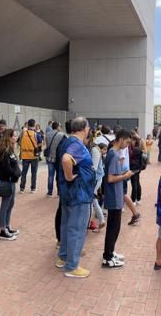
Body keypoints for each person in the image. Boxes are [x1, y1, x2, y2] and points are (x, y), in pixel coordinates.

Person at [56, 117, 98, 278]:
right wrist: (69, 176)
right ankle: (72, 266)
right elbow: (67, 159)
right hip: (79, 193)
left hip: (68, 193)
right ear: (84, 128)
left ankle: (63, 257)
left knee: (67, 226)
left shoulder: (66, 141)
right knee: (77, 229)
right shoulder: (77, 145)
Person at [102, 130, 134, 269]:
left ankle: (110, 252)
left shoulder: (111, 153)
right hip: (114, 196)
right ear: (121, 140)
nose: (127, 146)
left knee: (114, 227)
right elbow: (111, 178)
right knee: (113, 227)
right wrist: (125, 176)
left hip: (115, 195)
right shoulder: (113, 155)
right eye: (126, 142)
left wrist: (122, 173)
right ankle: (107, 257)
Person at [0, 129, 20, 241]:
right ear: (9, 137)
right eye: (14, 136)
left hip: (12, 181)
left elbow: (14, 164)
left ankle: (7, 226)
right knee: (5, 205)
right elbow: (5, 167)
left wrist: (17, 173)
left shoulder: (10, 149)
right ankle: (2, 230)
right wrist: (14, 174)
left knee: (10, 204)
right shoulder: (4, 150)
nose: (16, 137)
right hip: (7, 181)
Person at [44, 122, 66, 197]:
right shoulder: (61, 135)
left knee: (50, 175)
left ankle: (49, 192)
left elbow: (47, 145)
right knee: (59, 175)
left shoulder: (47, 134)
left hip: (50, 157)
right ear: (58, 127)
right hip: (59, 158)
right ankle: (59, 192)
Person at [18, 119, 40, 194]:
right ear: (34, 125)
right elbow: (40, 143)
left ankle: (22, 188)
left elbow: (19, 142)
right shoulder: (36, 134)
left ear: (28, 125)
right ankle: (33, 188)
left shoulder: (23, 133)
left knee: (24, 173)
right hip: (34, 156)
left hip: (25, 155)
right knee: (34, 173)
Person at [128, 136, 145, 204]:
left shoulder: (134, 150)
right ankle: (138, 198)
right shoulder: (139, 149)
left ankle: (133, 199)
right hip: (138, 168)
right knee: (137, 183)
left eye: (132, 140)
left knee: (134, 183)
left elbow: (130, 157)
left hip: (134, 168)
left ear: (134, 141)